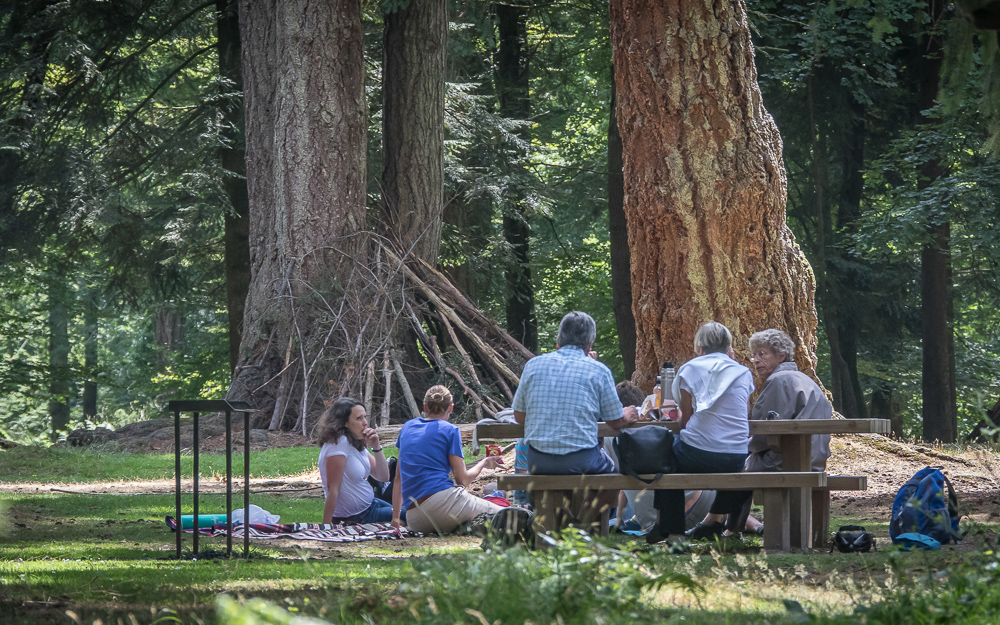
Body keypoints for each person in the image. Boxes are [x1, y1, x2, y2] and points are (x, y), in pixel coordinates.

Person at [650, 321, 754, 543]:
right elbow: (743, 414)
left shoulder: (691, 368)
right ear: (728, 346)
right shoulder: (743, 372)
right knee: (740, 471)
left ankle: (673, 533)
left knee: (666, 463)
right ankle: (718, 524)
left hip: (698, 454)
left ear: (700, 347)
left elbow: (684, 420)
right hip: (736, 456)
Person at [513, 311, 639, 476]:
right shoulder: (599, 370)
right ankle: (604, 503)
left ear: (559, 341)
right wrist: (627, 415)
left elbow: (519, 417)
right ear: (589, 345)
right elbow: (615, 422)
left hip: (538, 461)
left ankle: (540, 503)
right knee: (615, 475)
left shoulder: (533, 365)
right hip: (582, 459)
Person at [731, 328, 833, 534]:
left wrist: (743, 446)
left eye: (763, 354)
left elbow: (763, 434)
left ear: (781, 355)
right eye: (754, 354)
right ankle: (732, 528)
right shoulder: (803, 379)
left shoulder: (779, 381)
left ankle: (731, 530)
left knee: (733, 467)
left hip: (785, 462)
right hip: (813, 460)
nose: (756, 360)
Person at [391, 385, 505, 534]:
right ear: (450, 408)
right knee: (507, 515)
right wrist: (483, 462)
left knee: (475, 519)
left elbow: (398, 478)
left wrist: (395, 520)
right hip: (443, 504)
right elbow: (462, 480)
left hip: (415, 519)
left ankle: (465, 527)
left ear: (425, 406)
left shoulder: (407, 427)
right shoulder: (450, 430)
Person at [317, 397, 394, 524]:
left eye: (365, 417)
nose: (365, 422)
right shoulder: (338, 444)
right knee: (413, 518)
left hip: (371, 505)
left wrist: (376, 446)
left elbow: (383, 477)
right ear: (345, 423)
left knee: (410, 513)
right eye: (359, 418)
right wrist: (326, 527)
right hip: (356, 517)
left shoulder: (354, 442)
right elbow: (332, 489)